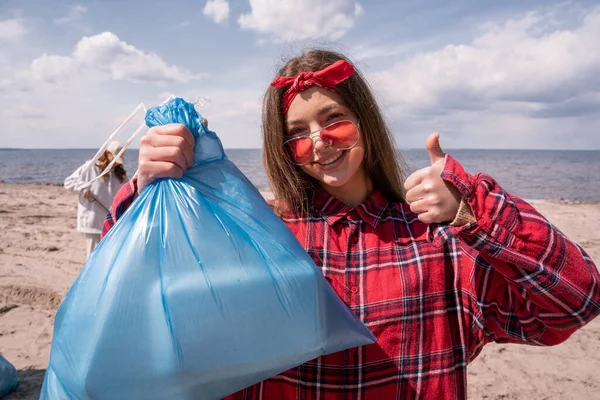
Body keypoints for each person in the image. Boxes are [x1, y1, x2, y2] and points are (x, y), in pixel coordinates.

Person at [101, 50, 600, 399]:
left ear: (365, 121)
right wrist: (149, 191)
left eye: (334, 119)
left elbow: (574, 301)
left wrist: (473, 209)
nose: (319, 142)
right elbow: (129, 293)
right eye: (298, 133)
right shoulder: (259, 234)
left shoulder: (439, 239)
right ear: (284, 149)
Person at [65, 140, 127, 258]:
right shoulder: (90, 167)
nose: (116, 163)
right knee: (93, 257)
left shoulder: (118, 172)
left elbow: (127, 191)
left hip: (112, 222)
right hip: (92, 222)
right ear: (107, 153)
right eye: (115, 159)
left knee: (109, 257)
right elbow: (69, 182)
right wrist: (83, 189)